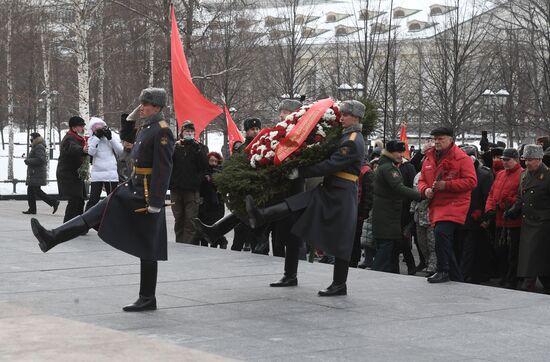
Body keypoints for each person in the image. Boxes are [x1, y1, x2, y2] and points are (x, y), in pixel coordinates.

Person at [30, 87, 175, 312]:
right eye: (142, 103)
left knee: (148, 246)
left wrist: (156, 201)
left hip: (145, 194)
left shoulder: (162, 131)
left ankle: (148, 297)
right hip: (132, 188)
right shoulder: (147, 127)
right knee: (96, 212)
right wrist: (130, 117)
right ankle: (52, 238)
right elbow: (129, 146)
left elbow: (164, 169)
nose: (142, 108)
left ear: (157, 107)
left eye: (146, 104)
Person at [244, 99, 366, 296]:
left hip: (342, 193)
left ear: (356, 117)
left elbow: (331, 165)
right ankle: (261, 215)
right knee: (297, 203)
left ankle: (339, 284)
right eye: (341, 114)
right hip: (332, 189)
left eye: (345, 115)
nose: (341, 117)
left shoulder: (352, 140)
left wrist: (300, 171)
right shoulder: (345, 136)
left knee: (342, 239)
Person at [418, 127, 477, 283]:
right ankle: (456, 276)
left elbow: (471, 181)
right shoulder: (429, 158)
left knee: (441, 233)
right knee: (442, 238)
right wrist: (426, 190)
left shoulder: (462, 158)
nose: (437, 141)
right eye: (435, 139)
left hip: (454, 204)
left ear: (451, 139)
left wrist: (447, 185)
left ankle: (443, 270)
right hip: (436, 204)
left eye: (441, 138)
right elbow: (422, 180)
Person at [269, 99, 306, 287]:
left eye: (285, 111)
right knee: (284, 235)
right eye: (281, 111)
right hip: (283, 189)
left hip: (295, 190)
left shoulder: (301, 133)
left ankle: (291, 274)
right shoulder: (281, 132)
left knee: (293, 235)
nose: (281, 115)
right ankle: (289, 274)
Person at [371, 140, 421, 273]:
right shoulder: (389, 168)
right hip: (388, 213)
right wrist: (420, 196)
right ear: (390, 153)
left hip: (386, 212)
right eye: (398, 152)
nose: (401, 155)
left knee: (387, 247)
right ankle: (373, 275)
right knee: (385, 248)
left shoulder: (385, 165)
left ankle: (389, 273)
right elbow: (398, 187)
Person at [505, 144, 550, 292]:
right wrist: (513, 211)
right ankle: (538, 282)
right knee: (532, 255)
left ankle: (529, 282)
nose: (527, 163)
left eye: (531, 160)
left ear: (539, 159)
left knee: (534, 254)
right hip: (527, 222)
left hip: (543, 223)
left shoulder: (547, 176)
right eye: (525, 159)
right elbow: (521, 197)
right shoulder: (524, 175)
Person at [483, 148, 523, 288]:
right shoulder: (500, 174)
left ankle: (511, 279)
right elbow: (492, 193)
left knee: (512, 253)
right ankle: (504, 275)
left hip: (513, 221)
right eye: (504, 160)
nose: (504, 162)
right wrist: (489, 208)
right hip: (500, 220)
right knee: (500, 250)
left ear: (516, 160)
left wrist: (505, 202)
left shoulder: (522, 175)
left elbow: (520, 198)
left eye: (508, 160)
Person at [456, 145, 493, 283]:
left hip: (475, 218)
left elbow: (488, 197)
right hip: (460, 217)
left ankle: (464, 275)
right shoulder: (459, 172)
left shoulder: (484, 175)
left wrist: (485, 217)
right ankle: (465, 273)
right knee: (462, 247)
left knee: (471, 249)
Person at [169, 121, 209, 244]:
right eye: (187, 131)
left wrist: (197, 149)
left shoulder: (200, 147)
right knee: (179, 218)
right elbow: (168, 163)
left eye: (191, 132)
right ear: (182, 133)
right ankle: (179, 242)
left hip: (192, 190)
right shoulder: (174, 147)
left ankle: (188, 244)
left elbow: (204, 165)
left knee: (190, 219)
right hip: (176, 189)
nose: (189, 134)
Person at [85, 117, 124, 211]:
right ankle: (87, 219)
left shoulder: (111, 138)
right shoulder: (92, 139)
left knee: (112, 200)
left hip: (111, 174)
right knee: (93, 200)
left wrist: (110, 138)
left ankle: (113, 219)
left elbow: (120, 151)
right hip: (97, 174)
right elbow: (91, 152)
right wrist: (96, 138)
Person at [57, 116, 89, 222]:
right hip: (67, 174)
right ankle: (67, 225)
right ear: (74, 128)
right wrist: (82, 149)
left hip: (75, 174)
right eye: (80, 126)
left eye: (83, 126)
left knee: (80, 200)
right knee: (74, 200)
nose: (83, 128)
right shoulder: (69, 138)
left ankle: (78, 226)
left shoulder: (78, 138)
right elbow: (72, 148)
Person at [23, 132, 60, 215]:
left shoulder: (39, 146)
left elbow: (41, 159)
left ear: (35, 138)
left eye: (31, 138)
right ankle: (32, 209)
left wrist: (29, 161)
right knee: (32, 191)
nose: (30, 140)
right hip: (35, 172)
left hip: (37, 173)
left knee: (36, 191)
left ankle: (53, 202)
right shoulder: (36, 146)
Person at [198, 152, 228, 248]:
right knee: (204, 224)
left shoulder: (221, 172)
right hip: (205, 203)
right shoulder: (203, 171)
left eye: (215, 161)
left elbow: (220, 186)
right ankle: (206, 244)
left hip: (217, 204)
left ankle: (220, 242)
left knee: (215, 225)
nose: (213, 163)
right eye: (211, 160)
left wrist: (211, 179)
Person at [117, 113, 136, 182]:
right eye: (125, 141)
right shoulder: (120, 154)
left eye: (130, 141)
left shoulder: (138, 154)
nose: (128, 143)